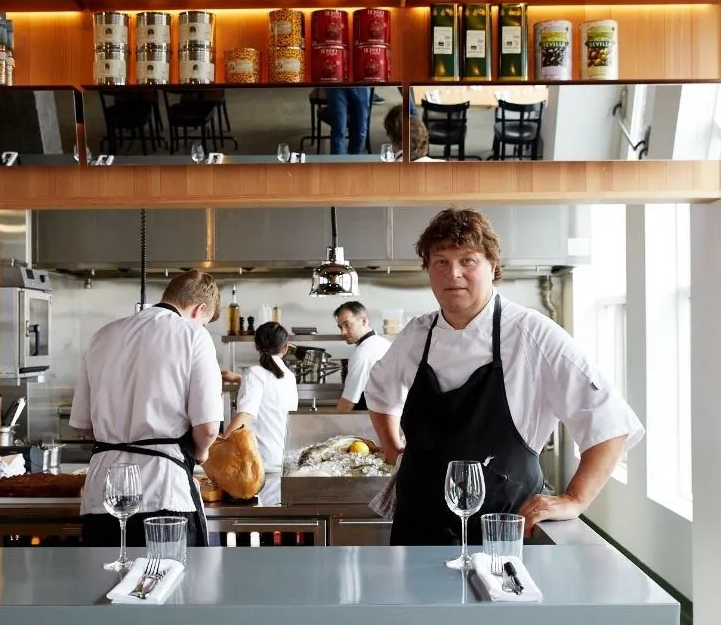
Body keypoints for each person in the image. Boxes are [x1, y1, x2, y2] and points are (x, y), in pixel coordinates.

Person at [365, 208, 644, 545]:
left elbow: (609, 421)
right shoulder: (416, 334)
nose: (453, 273)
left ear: (492, 266)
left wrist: (575, 499)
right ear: (428, 269)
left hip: (501, 533)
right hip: (417, 528)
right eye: (441, 261)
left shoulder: (533, 335)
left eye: (467, 260)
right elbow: (380, 393)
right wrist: (395, 450)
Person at [70, 270, 223, 548]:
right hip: (163, 489)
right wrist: (200, 454)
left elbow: (82, 424)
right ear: (199, 309)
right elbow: (209, 427)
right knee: (170, 585)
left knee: (103, 584)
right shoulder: (193, 336)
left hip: (102, 492)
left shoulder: (102, 335)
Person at [227, 322, 299, 471]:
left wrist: (219, 443)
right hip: (282, 458)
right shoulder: (290, 377)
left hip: (259, 460)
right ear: (285, 347)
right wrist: (240, 378)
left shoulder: (254, 373)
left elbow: (245, 417)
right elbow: (269, 388)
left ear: (256, 346)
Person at [333, 301, 391, 412]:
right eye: (340, 327)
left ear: (364, 321)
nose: (343, 332)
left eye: (347, 325)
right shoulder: (381, 343)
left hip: (374, 419)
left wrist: (329, 424)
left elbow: (348, 402)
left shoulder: (363, 353)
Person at [326, 87, 372, 155]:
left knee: (360, 132)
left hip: (361, 83)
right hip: (336, 84)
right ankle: (338, 164)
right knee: (338, 131)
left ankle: (354, 162)